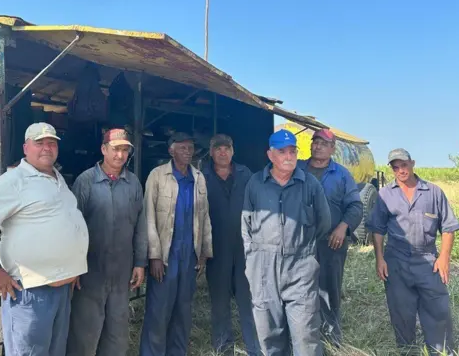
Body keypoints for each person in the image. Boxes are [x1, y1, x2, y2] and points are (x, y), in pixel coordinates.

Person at [0, 122, 89, 356]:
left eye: (52, 143)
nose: (47, 148)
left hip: (61, 289)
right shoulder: (14, 181)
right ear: (26, 147)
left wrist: (70, 266)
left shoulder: (57, 178)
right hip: (30, 292)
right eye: (39, 143)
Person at [241, 129, 331, 356]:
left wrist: (302, 249)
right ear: (270, 155)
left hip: (300, 266)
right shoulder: (255, 183)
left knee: (305, 334)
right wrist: (253, 257)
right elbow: (246, 225)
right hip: (263, 266)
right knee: (268, 332)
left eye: (293, 151)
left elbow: (324, 223)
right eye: (282, 152)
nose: (289, 156)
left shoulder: (309, 184)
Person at [366, 148, 459, 355]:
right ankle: (408, 350)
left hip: (428, 259)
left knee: (438, 310)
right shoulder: (385, 195)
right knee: (401, 311)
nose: (401, 170)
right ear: (391, 169)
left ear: (413, 163)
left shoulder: (433, 192)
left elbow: (448, 227)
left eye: (404, 165)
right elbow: (378, 229)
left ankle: (440, 351)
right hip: (396, 260)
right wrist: (380, 259)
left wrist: (444, 258)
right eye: (395, 167)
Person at [66, 128, 147, 356]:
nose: (120, 155)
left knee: (117, 332)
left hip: (121, 271)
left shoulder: (133, 184)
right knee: (85, 332)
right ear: (103, 149)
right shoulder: (86, 181)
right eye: (115, 149)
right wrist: (74, 267)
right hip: (91, 270)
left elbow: (140, 225)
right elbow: (72, 226)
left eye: (124, 150)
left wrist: (140, 262)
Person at [139, 132, 213, 356]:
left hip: (188, 254)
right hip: (166, 255)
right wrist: (154, 256)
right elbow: (148, 217)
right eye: (182, 147)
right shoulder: (158, 175)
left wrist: (203, 253)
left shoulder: (198, 177)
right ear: (171, 150)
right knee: (158, 311)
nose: (188, 152)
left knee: (183, 311)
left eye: (190, 148)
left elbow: (205, 216)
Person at [297, 128, 363, 345]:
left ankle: (331, 334)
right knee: (299, 288)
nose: (318, 146)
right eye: (315, 142)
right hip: (299, 241)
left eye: (324, 144)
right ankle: (301, 334)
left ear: (333, 148)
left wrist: (343, 227)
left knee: (329, 288)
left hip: (331, 242)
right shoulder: (297, 169)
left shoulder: (342, 174)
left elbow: (355, 206)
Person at [202, 134, 259, 356]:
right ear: (211, 151)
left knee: (248, 298)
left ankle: (253, 346)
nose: (223, 152)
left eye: (227, 148)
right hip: (216, 248)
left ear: (233, 151)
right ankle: (224, 347)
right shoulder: (201, 176)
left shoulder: (247, 175)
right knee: (219, 300)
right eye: (218, 149)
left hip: (245, 247)